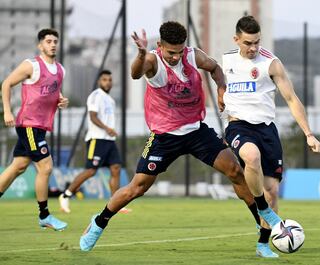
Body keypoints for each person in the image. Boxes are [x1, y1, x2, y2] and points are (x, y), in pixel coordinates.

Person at [79, 21, 282, 255]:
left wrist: (220, 89)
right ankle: (98, 223)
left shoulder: (192, 55)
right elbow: (136, 73)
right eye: (171, 53)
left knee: (236, 172)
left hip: (196, 131)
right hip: (165, 137)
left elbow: (215, 68)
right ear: (160, 46)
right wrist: (141, 53)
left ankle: (262, 228)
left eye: (179, 51)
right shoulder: (153, 61)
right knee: (137, 188)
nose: (176, 57)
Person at [221, 16, 320, 257]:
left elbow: (291, 99)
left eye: (256, 42)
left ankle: (263, 244)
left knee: (272, 191)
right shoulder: (225, 60)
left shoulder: (271, 64)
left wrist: (309, 134)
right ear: (236, 39)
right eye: (247, 43)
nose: (253, 48)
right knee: (251, 156)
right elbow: (210, 74)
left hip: (266, 130)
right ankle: (263, 210)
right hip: (238, 127)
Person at [0, 28, 69, 231]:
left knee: (18, 167)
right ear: (40, 45)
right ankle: (44, 215)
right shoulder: (31, 65)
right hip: (28, 124)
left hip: (40, 127)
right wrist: (7, 111)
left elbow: (54, 92)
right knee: (45, 167)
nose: (53, 44)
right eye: (48, 41)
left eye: (55, 41)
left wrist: (61, 100)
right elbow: (7, 83)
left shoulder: (61, 70)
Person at [58, 69, 130, 214]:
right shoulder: (95, 96)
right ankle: (65, 195)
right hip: (97, 139)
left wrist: (109, 131)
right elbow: (93, 117)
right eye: (104, 80)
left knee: (115, 168)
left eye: (109, 80)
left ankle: (115, 203)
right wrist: (107, 128)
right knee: (91, 170)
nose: (107, 82)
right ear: (99, 81)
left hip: (109, 140)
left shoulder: (110, 99)